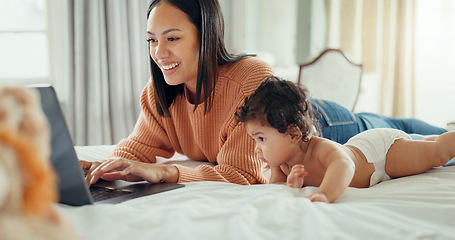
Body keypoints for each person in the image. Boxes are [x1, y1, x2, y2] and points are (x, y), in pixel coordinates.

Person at [81, 0, 274, 186]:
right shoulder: (159, 90)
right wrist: (105, 167)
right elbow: (138, 147)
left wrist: (165, 172)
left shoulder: (251, 79)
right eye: (152, 40)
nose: (159, 52)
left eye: (172, 38)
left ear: (207, 35)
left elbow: (244, 173)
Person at [236, 75, 455, 203]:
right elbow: (276, 187)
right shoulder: (281, 163)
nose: (257, 148)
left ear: (293, 134)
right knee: (424, 144)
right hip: (369, 155)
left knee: (436, 153)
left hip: (379, 154)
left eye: (261, 139)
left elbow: (345, 165)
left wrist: (325, 194)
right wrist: (291, 183)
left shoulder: (320, 148)